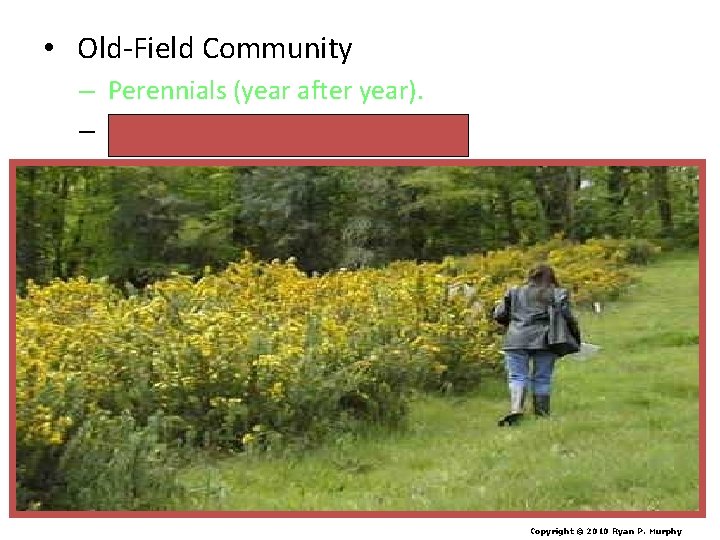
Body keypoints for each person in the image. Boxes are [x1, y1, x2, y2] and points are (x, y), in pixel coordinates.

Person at [492, 263, 580, 426]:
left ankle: (516, 408)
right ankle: (542, 414)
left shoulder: (514, 291)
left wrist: (511, 323)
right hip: (547, 340)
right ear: (552, 277)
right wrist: (575, 339)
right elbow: (568, 317)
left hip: (516, 339)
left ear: (530, 277)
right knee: (542, 378)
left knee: (517, 376)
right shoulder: (558, 293)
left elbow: (499, 314)